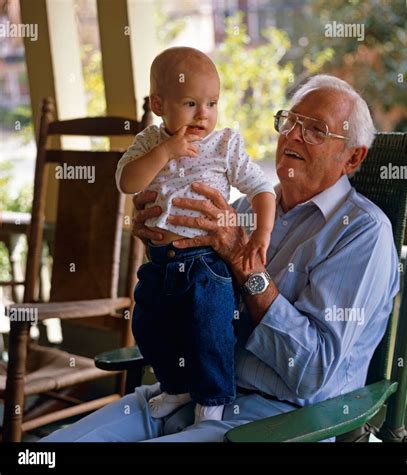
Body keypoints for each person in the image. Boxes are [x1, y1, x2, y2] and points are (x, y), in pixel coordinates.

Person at [40, 74, 399, 443]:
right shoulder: (238, 210)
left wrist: (245, 265)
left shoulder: (362, 233)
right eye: (289, 121)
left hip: (274, 421)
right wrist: (162, 240)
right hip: (182, 395)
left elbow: (311, 372)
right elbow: (188, 296)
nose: (292, 135)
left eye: (316, 130)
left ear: (353, 157)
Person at [116, 47, 276, 423]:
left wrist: (261, 234)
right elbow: (127, 181)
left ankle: (213, 397)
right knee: (149, 327)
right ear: (159, 104)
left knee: (209, 331)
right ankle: (176, 386)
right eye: (190, 103)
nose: (203, 114)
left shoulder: (224, 146)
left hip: (206, 265)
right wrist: (166, 152)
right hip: (159, 263)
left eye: (212, 103)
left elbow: (261, 188)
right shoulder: (148, 143)